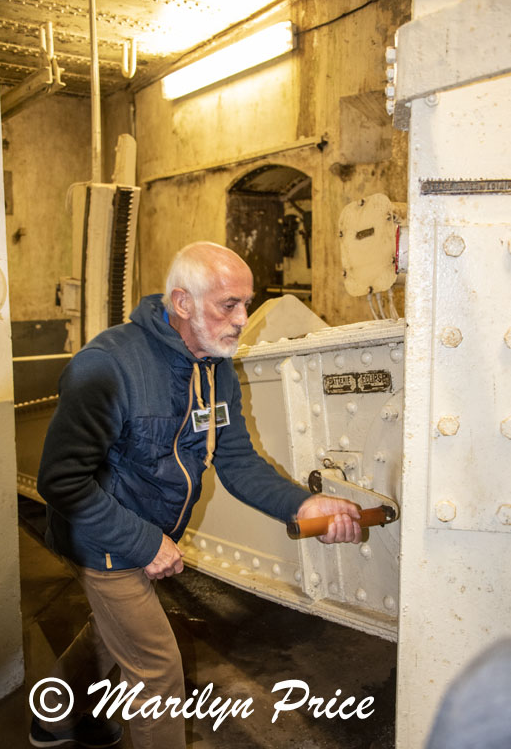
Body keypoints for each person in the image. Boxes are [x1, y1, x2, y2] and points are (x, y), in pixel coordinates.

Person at [31, 242, 362, 749]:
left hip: (148, 531)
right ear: (182, 302)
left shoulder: (214, 368)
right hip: (100, 535)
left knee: (116, 629)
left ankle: (54, 718)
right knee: (157, 671)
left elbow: (237, 462)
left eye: (246, 304)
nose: (242, 318)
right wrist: (144, 543)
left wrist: (302, 504)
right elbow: (63, 481)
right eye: (228, 305)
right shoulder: (107, 366)